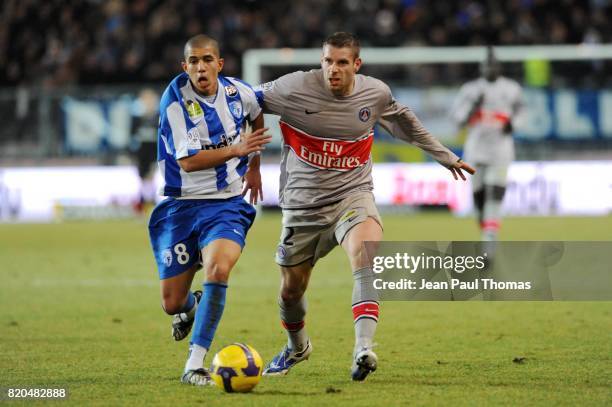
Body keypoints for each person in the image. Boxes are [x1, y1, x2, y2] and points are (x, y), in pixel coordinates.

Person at [255, 32, 475, 381]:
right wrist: (245, 159)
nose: (334, 69)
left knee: (366, 254)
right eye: (328, 61)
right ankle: (297, 347)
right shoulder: (293, 88)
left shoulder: (375, 94)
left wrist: (445, 156)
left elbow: (406, 123)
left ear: (356, 64)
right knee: (291, 290)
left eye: (342, 62)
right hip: (303, 206)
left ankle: (363, 349)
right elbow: (245, 102)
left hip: (352, 196)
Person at [147, 34, 272, 386]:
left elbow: (258, 117)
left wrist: (254, 166)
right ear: (184, 66)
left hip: (227, 205)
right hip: (181, 207)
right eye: (193, 62)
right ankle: (190, 307)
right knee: (171, 303)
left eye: (207, 60)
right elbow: (187, 162)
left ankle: (195, 364)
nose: (200, 67)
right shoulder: (174, 102)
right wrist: (237, 151)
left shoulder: (239, 93)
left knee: (218, 269)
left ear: (220, 63)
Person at [450, 46, 524, 242]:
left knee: (494, 195)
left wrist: (513, 125)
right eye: (486, 66)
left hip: (501, 151)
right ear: (481, 68)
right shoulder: (470, 90)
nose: (490, 69)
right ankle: (487, 234)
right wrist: (474, 107)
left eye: (494, 65)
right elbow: (457, 120)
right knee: (479, 202)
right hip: (475, 151)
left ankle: (489, 243)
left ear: (499, 68)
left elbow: (521, 113)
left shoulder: (512, 89)